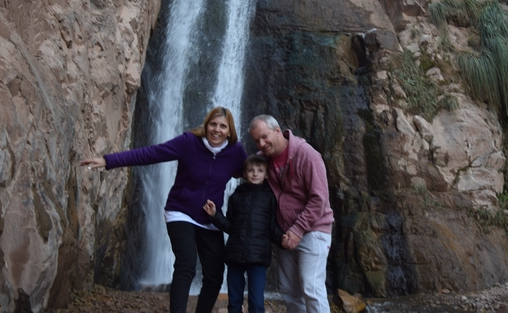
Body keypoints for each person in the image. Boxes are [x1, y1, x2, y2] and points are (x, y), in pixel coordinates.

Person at [80, 107, 248, 313]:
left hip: (210, 218)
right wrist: (108, 161)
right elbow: (152, 153)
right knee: (186, 263)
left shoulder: (236, 152)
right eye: (213, 124)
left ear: (230, 131)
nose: (217, 130)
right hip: (181, 211)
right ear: (206, 125)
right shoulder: (188, 142)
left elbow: (255, 172)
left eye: (223, 126)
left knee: (215, 274)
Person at [248, 115, 334, 313]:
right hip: (285, 235)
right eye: (256, 140)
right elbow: (243, 169)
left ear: (277, 130)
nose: (261, 143)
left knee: (311, 288)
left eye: (264, 136)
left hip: (313, 230)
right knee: (289, 291)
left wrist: (298, 229)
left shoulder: (308, 155)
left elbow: (319, 199)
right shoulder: (262, 160)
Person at [203, 154, 284, 313]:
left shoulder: (270, 198)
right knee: (234, 302)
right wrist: (215, 215)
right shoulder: (236, 196)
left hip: (258, 257)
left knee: (257, 303)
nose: (255, 173)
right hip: (235, 255)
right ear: (245, 174)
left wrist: (283, 239)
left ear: (266, 174)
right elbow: (230, 226)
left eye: (260, 170)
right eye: (251, 170)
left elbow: (272, 226)